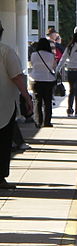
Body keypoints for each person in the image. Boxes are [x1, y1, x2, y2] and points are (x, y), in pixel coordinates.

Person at [0, 20, 33, 189]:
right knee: (3, 141)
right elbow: (16, 77)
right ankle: (0, 178)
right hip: (3, 106)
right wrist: (27, 97)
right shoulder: (6, 51)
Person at [30, 38, 57, 127]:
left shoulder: (34, 55)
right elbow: (54, 67)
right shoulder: (51, 55)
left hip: (36, 80)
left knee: (37, 101)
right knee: (48, 102)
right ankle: (47, 122)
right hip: (48, 80)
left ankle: (38, 121)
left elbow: (32, 64)